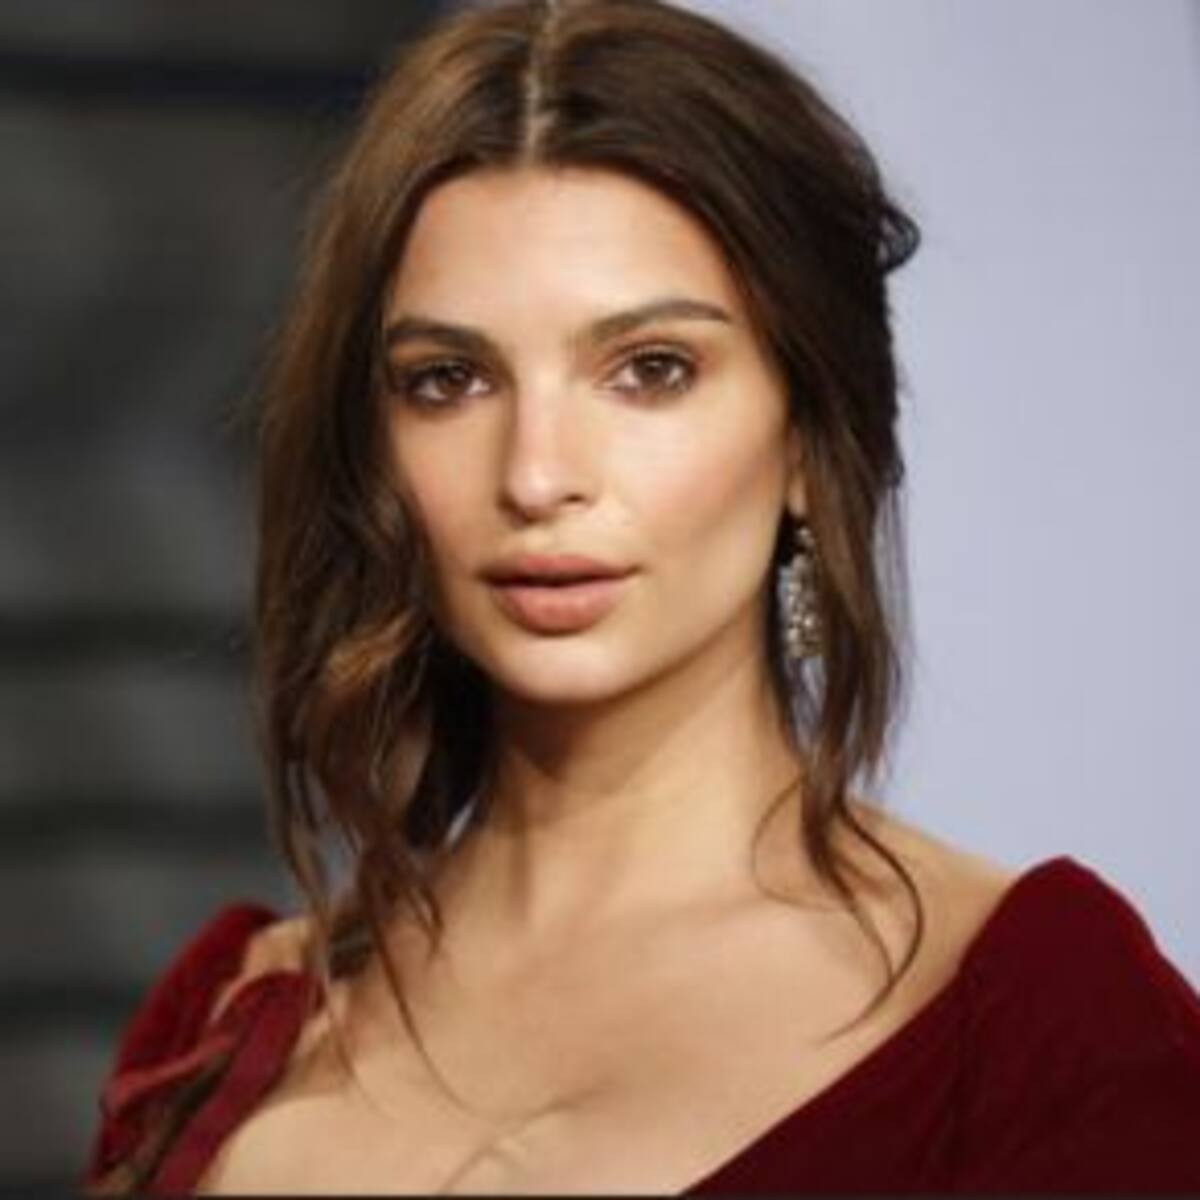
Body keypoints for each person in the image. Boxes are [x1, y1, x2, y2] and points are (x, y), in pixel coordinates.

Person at [84, 0, 1200, 1193]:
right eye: (450, 380)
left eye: (651, 370)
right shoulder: (232, 1016)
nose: (537, 476)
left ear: (811, 440)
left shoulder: (1043, 1029)